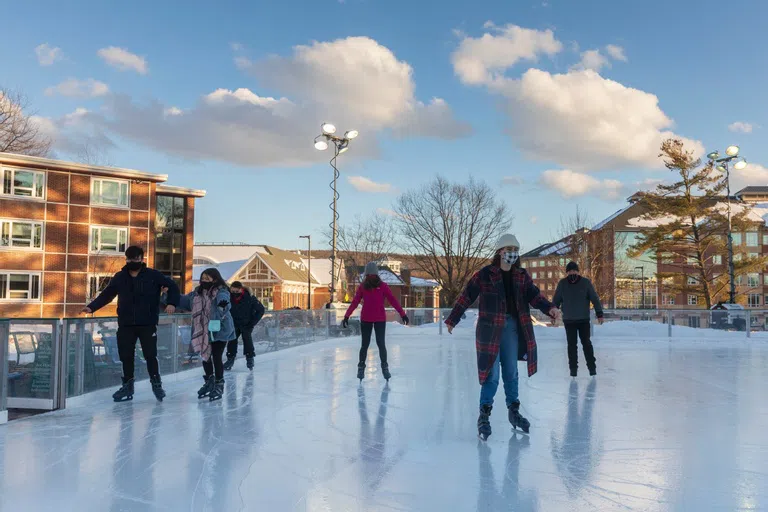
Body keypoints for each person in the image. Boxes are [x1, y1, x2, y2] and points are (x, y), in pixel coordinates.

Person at [444, 234, 560, 440]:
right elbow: (466, 295)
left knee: (512, 371)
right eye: (508, 249)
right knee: (491, 374)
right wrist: (453, 318)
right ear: (499, 252)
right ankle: (484, 415)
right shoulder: (484, 275)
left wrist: (551, 309)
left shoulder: (521, 276)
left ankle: (513, 411)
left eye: (515, 250)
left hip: (512, 328)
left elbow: (535, 296)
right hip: (489, 330)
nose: (512, 254)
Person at [82, 246, 180, 402]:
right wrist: (92, 306)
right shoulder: (120, 277)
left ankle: (156, 384)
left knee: (150, 355)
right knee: (126, 356)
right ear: (126, 259)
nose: (132, 261)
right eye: (129, 259)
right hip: (126, 323)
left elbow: (174, 287)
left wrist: (172, 303)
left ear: (142, 259)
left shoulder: (153, 275)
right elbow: (107, 294)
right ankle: (128, 386)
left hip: (147, 323)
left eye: (136, 259)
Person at [343, 262, 409, 381]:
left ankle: (361, 367)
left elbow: (355, 303)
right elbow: (393, 300)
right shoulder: (382, 286)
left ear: (367, 273)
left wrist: (347, 316)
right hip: (379, 319)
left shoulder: (363, 286)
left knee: (365, 345)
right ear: (377, 273)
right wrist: (402, 314)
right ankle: (385, 368)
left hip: (367, 319)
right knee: (381, 344)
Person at [181, 268, 235, 401]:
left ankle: (219, 383)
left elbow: (224, 300)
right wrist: (168, 296)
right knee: (205, 355)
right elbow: (184, 301)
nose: (204, 281)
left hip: (220, 329)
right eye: (202, 278)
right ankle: (210, 381)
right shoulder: (197, 293)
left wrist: (223, 305)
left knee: (216, 356)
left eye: (207, 278)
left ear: (215, 279)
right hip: (204, 329)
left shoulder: (221, 291)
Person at [552, 261, 604, 377]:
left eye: (574, 271)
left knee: (586, 343)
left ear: (578, 271)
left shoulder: (585, 283)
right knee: (571, 345)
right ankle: (573, 370)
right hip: (569, 320)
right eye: (570, 271)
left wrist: (599, 313)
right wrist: (553, 315)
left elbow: (594, 298)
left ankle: (592, 368)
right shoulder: (562, 284)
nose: (572, 273)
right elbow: (556, 301)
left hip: (583, 320)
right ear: (567, 273)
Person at [224, 281, 265, 371]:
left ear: (241, 289)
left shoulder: (249, 297)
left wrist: (252, 322)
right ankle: (230, 359)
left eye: (236, 291)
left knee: (247, 338)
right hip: (234, 323)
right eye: (232, 291)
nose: (234, 294)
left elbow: (261, 310)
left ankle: (250, 358)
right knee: (232, 340)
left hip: (246, 323)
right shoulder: (228, 297)